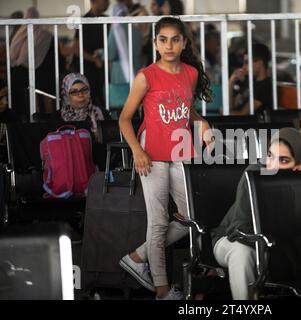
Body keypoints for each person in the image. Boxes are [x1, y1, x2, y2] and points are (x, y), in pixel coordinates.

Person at [118, 17, 213, 300]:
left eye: (175, 39)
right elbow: (124, 119)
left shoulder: (191, 73)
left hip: (180, 150)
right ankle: (162, 290)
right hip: (151, 152)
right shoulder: (146, 76)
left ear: (184, 43)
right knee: (158, 222)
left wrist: (201, 122)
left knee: (192, 216)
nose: (169, 45)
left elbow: (184, 109)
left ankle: (137, 256)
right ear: (156, 43)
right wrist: (137, 151)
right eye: (163, 39)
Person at [210, 127, 301, 300]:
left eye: (284, 160)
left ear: (299, 162)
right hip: (232, 239)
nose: (272, 165)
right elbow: (238, 229)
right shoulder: (255, 173)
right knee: (242, 253)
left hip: (275, 244)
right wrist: (273, 246)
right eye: (270, 155)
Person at [10, 7, 65, 118]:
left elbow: (13, 57)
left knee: (29, 103)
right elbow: (57, 56)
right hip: (46, 76)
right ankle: (48, 121)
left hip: (22, 77)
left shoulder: (18, 36)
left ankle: (30, 120)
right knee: (47, 102)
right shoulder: (48, 36)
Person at [71, 0, 110, 107]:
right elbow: (76, 48)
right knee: (86, 101)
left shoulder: (108, 20)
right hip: (86, 68)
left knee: (103, 102)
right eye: (105, 0)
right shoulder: (83, 21)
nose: (108, 3)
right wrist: (94, 59)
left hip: (102, 69)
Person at [108, 3, 143, 111]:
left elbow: (110, 54)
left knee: (121, 111)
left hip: (120, 77)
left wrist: (100, 53)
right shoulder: (136, 30)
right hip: (136, 74)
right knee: (136, 108)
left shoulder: (115, 31)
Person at [52, 73, 107, 137]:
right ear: (66, 95)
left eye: (84, 90)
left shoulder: (101, 113)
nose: (81, 94)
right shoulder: (57, 117)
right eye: (74, 92)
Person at [229, 43, 273, 116]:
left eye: (247, 62)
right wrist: (231, 82)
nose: (243, 67)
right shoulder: (249, 83)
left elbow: (243, 115)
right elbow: (231, 106)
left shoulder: (265, 87)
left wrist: (227, 113)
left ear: (260, 63)